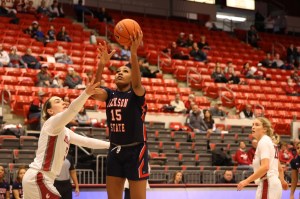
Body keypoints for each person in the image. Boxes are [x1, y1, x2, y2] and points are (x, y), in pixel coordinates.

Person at [22, 77, 110, 199]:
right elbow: (72, 110)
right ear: (50, 111)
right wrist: (86, 94)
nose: (63, 102)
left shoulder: (65, 131)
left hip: (40, 178)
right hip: (39, 177)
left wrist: (110, 145)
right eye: (58, 101)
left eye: (62, 100)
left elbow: (87, 141)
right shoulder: (51, 123)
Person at [92, 32, 149, 199]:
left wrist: (133, 53)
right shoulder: (110, 94)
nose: (119, 73)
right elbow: (93, 92)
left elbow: (138, 83)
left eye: (125, 71)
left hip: (136, 150)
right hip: (115, 149)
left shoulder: (136, 94)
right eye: (117, 71)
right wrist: (101, 65)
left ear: (132, 78)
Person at [237, 117, 288, 198]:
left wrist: (246, 181)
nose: (253, 127)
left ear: (264, 129)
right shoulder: (270, 142)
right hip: (273, 183)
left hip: (267, 183)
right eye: (252, 125)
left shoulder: (263, 142)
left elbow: (265, 167)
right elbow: (279, 168)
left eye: (257, 125)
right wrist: (282, 181)